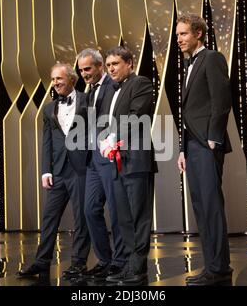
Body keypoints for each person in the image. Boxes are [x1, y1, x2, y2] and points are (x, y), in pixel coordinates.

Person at [16, 63, 90, 279]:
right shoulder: (49, 109)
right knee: (49, 218)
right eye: (53, 79)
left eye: (59, 78)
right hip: (57, 171)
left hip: (81, 168)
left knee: (81, 218)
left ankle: (79, 262)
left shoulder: (88, 102)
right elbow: (46, 141)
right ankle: (41, 261)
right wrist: (45, 171)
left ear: (72, 80)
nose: (55, 83)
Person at [176, 13, 233, 286]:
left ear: (198, 33)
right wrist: (183, 150)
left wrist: (213, 137)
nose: (179, 39)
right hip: (192, 145)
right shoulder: (187, 64)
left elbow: (221, 100)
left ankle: (220, 268)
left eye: (184, 34)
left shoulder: (212, 58)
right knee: (200, 207)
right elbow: (187, 112)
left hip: (207, 144)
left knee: (211, 207)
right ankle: (212, 266)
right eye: (178, 35)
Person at [102, 46, 157, 285]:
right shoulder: (111, 91)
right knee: (123, 216)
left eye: (115, 63)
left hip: (136, 158)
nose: (111, 68)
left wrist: (114, 138)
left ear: (129, 63)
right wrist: (105, 140)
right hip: (117, 161)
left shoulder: (140, 83)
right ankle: (128, 266)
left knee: (139, 215)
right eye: (108, 65)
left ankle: (138, 268)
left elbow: (137, 116)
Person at [76, 48, 127, 280]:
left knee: (116, 210)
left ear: (99, 66)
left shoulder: (113, 86)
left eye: (87, 69)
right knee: (89, 210)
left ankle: (120, 260)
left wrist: (113, 143)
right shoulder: (88, 91)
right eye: (80, 70)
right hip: (93, 160)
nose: (84, 74)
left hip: (110, 155)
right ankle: (104, 259)